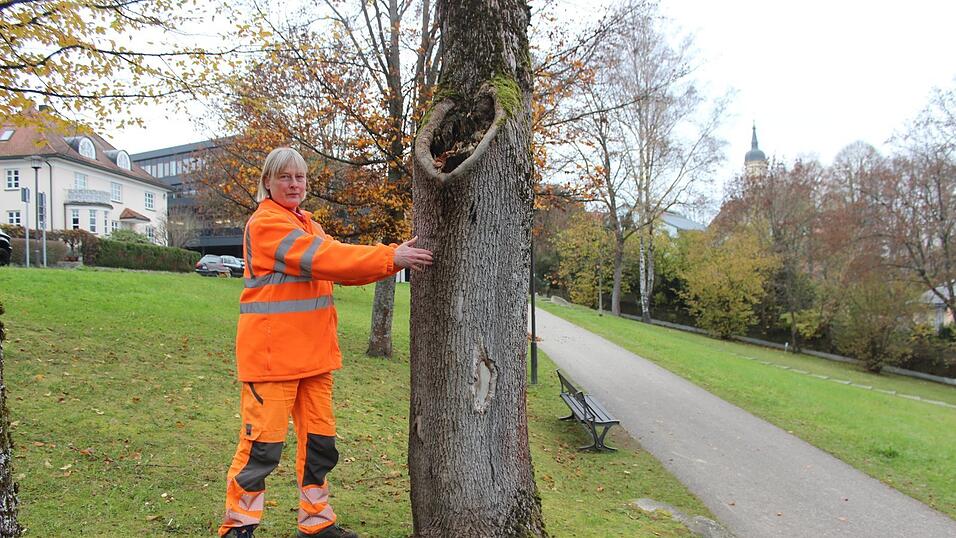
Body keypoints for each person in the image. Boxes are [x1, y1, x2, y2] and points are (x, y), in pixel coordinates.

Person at [219, 147, 432, 538]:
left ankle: (316, 523)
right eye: (285, 177)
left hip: (314, 359)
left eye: (299, 177)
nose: (294, 184)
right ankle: (238, 528)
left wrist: (391, 258)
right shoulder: (267, 224)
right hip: (273, 361)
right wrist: (391, 257)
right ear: (267, 182)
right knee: (261, 449)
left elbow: (342, 268)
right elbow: (327, 258)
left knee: (320, 445)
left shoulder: (306, 223)